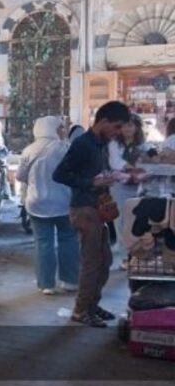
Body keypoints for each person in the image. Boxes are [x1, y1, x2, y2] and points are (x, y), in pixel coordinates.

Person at [52, 100, 132, 327]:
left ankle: (91, 304)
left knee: (104, 260)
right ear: (104, 121)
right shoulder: (83, 144)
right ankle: (80, 310)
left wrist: (113, 175)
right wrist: (92, 182)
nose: (118, 133)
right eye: (116, 127)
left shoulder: (100, 144)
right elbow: (59, 175)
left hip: (98, 207)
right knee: (92, 262)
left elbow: (96, 171)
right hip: (84, 208)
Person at [17, 116, 79, 294]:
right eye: (60, 128)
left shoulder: (29, 150)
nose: (62, 131)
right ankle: (70, 281)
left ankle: (46, 285)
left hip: (37, 203)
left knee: (43, 243)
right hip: (64, 202)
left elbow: (20, 176)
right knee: (68, 240)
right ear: (52, 129)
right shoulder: (65, 148)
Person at [107, 115, 146, 269]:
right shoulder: (114, 144)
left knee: (137, 223)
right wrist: (133, 167)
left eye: (131, 125)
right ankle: (125, 257)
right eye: (125, 125)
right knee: (122, 222)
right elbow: (115, 163)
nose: (128, 129)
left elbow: (147, 163)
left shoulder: (143, 144)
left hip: (138, 188)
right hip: (119, 187)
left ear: (137, 128)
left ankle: (136, 256)